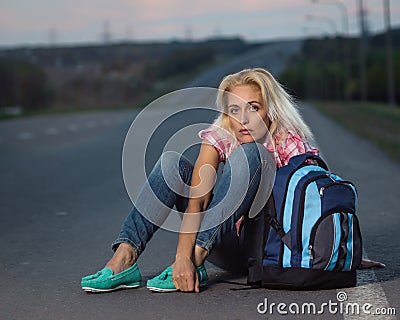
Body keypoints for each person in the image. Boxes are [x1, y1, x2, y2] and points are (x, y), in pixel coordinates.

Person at [81, 68, 383, 293]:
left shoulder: (288, 141)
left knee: (252, 155)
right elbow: (198, 197)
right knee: (172, 162)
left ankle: (197, 262)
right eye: (234, 110)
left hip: (265, 249)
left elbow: (320, 197)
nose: (243, 119)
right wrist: (181, 257)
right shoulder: (220, 133)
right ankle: (124, 260)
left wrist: (338, 251)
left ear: (269, 110)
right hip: (220, 240)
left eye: (254, 107)